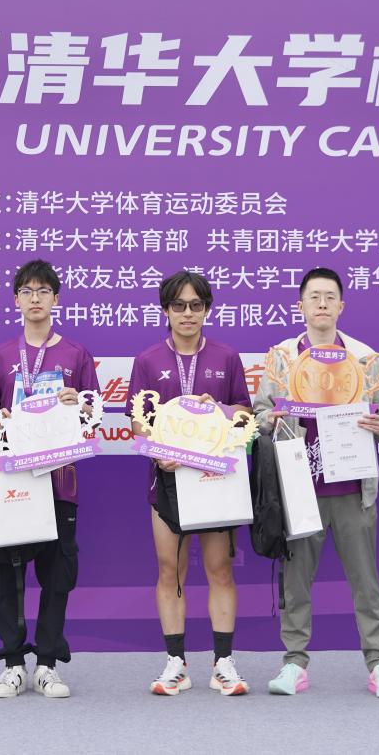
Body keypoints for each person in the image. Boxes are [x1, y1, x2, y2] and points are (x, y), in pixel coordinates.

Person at [253, 267, 379, 698]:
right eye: (314, 297)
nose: (322, 304)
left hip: (353, 488)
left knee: (366, 582)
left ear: (341, 306)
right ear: (300, 305)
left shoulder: (365, 359)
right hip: (300, 487)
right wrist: (270, 419)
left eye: (329, 297)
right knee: (295, 582)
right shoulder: (282, 358)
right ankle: (294, 663)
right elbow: (259, 413)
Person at [0, 260, 99, 699]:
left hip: (60, 481)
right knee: (5, 575)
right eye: (27, 291)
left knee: (57, 573)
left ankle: (47, 664)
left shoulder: (76, 355)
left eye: (43, 291)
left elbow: (92, 418)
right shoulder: (0, 356)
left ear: (56, 299)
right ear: (16, 300)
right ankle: (12, 663)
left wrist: (77, 404)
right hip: (11, 482)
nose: (35, 298)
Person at [128, 271, 253, 696]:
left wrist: (218, 409)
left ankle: (224, 663)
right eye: (178, 305)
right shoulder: (148, 360)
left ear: (206, 309)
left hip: (215, 480)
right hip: (166, 481)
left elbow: (245, 415)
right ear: (166, 310)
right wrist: (156, 452)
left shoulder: (226, 357)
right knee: (171, 571)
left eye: (196, 305)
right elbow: (138, 424)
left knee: (220, 569)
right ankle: (176, 664)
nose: (187, 313)